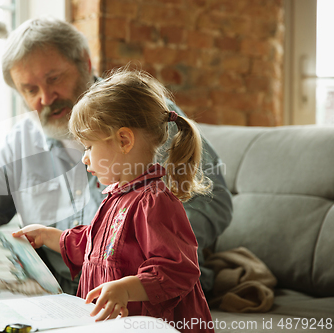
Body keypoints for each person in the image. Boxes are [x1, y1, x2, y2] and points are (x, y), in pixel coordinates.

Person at [0, 16, 232, 296]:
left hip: (145, 291)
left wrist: (136, 244)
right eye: (30, 89)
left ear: (85, 64)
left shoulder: (144, 116)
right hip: (57, 292)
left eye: (54, 79)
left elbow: (215, 199)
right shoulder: (22, 139)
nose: (46, 97)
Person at [12, 68, 214, 332]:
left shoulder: (153, 202)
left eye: (88, 146)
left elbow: (178, 271)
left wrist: (127, 289)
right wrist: (49, 235)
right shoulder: (117, 196)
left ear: (123, 140)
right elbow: (98, 247)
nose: (84, 158)